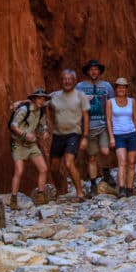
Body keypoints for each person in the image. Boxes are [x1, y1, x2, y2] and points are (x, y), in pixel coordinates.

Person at [47, 70, 89, 203]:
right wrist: (22, 103)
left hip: (73, 134)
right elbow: (39, 101)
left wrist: (85, 137)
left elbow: (86, 117)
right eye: (65, 79)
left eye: (70, 79)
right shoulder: (54, 96)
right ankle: (60, 192)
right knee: (53, 167)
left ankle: (80, 193)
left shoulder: (80, 96)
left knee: (68, 163)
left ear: (74, 81)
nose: (67, 81)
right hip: (58, 135)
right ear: (61, 80)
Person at [77, 59, 116, 195]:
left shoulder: (106, 86)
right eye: (91, 69)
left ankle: (106, 172)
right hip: (88, 128)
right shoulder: (80, 87)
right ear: (88, 72)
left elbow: (112, 104)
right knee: (92, 157)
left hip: (103, 125)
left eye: (96, 69)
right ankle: (93, 183)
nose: (93, 72)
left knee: (105, 151)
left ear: (99, 71)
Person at [8, 87, 50, 209]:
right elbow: (13, 125)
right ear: (34, 99)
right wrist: (25, 135)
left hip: (31, 144)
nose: (42, 101)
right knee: (19, 170)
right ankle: (13, 200)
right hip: (17, 143)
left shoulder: (41, 112)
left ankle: (41, 196)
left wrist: (44, 132)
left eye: (43, 99)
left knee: (43, 168)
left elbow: (42, 126)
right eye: (39, 98)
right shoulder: (23, 110)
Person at [106, 78, 136, 198]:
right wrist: (111, 138)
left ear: (127, 89)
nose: (121, 89)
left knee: (131, 163)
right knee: (122, 162)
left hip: (131, 133)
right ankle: (121, 189)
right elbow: (108, 120)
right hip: (118, 135)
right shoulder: (110, 102)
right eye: (119, 87)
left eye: (123, 87)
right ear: (116, 88)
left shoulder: (132, 101)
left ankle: (129, 189)